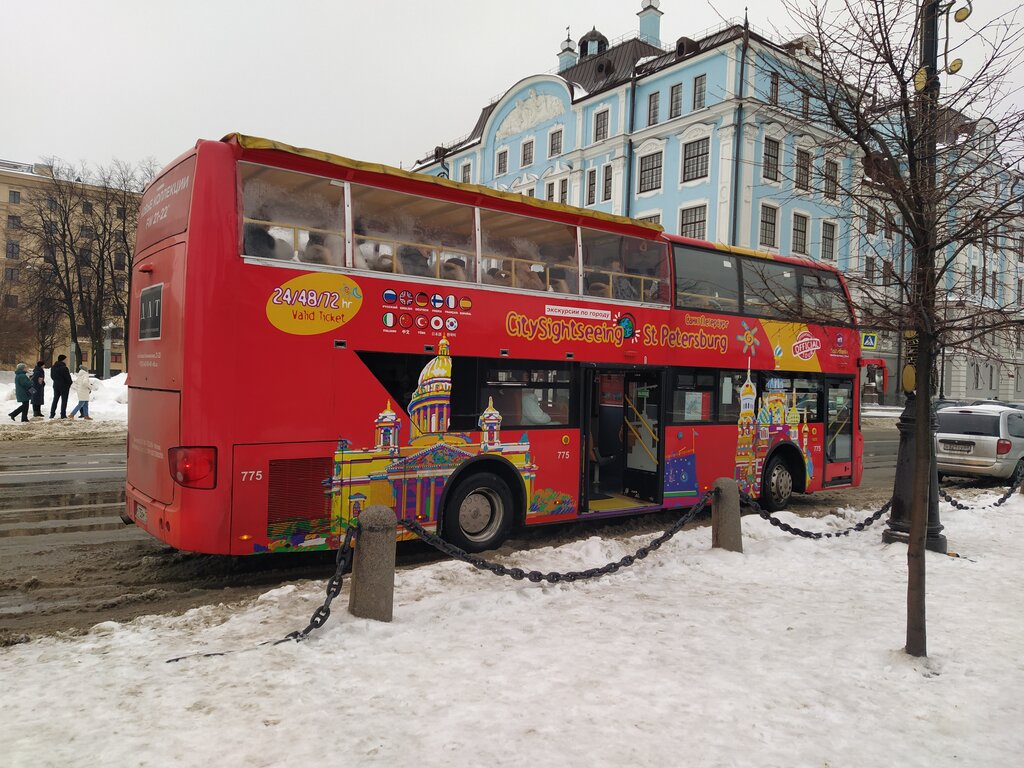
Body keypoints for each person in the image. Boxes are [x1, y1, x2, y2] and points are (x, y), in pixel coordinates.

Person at [50, 354, 73, 418]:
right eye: (66, 359)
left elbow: (52, 376)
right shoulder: (64, 368)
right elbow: (68, 378)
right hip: (64, 386)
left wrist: (56, 381)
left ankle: (52, 414)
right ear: (63, 360)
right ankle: (63, 414)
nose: (67, 361)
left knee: (55, 399)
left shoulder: (53, 367)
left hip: (56, 385)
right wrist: (69, 384)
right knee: (64, 400)